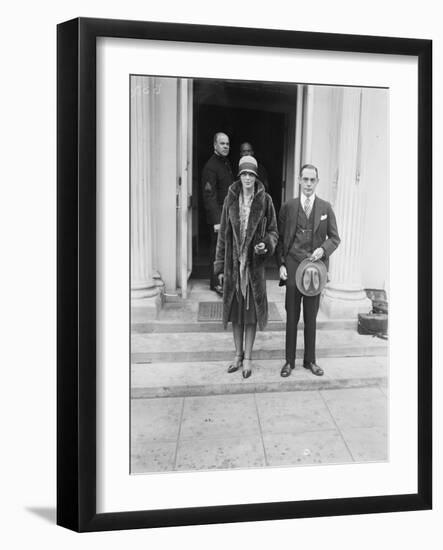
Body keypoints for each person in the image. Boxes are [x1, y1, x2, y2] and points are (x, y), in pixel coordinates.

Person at [214, 155, 278, 378]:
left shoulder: (265, 200)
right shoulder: (230, 200)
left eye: (251, 174)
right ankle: (237, 355)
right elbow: (223, 236)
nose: (248, 178)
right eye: (244, 174)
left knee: (250, 316)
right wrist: (220, 268)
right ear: (239, 176)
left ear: (256, 176)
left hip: (253, 269)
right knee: (236, 315)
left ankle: (248, 357)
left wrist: (265, 245)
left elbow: (273, 232)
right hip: (234, 268)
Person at [276, 164, 340, 377]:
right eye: (305, 179)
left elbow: (335, 238)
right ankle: (288, 362)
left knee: (311, 316)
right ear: (299, 180)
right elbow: (280, 239)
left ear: (317, 182)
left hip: (315, 269)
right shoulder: (288, 207)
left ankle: (310, 360)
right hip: (294, 265)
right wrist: (281, 265)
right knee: (292, 315)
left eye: (312, 180)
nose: (309, 184)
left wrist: (323, 249)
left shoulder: (325, 208)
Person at [201, 132, 234, 295]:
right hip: (218, 217)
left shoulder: (225, 163)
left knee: (227, 249)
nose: (226, 146)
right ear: (215, 145)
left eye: (227, 143)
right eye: (222, 143)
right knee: (217, 250)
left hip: (228, 214)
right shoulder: (211, 166)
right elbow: (209, 195)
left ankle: (224, 280)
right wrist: (216, 221)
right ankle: (216, 283)